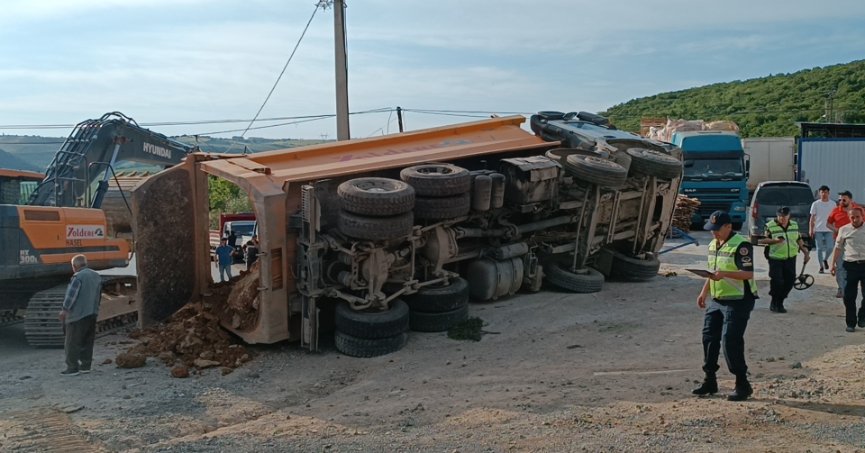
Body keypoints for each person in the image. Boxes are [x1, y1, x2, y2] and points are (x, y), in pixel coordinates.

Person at [693, 210, 758, 401]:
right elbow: (713, 272)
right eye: (711, 229)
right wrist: (704, 292)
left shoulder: (742, 245)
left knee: (730, 340)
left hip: (739, 299)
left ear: (728, 227)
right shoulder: (714, 244)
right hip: (718, 299)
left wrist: (725, 274)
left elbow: (748, 274)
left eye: (717, 229)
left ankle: (742, 384)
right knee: (709, 338)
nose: (714, 233)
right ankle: (710, 380)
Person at [58, 254, 103, 376]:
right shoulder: (96, 276)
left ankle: (72, 368)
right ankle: (85, 366)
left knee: (72, 342)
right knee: (88, 341)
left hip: (77, 315)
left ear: (74, 266)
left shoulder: (78, 277)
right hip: (92, 313)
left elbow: (72, 295)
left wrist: (64, 310)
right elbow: (98, 296)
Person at [760, 206, 808, 313]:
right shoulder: (770, 226)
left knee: (790, 281)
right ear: (777, 216)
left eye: (784, 216)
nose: (782, 218)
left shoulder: (794, 225)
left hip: (791, 257)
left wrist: (805, 252)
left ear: (789, 216)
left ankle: (780, 301)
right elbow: (763, 240)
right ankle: (774, 302)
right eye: (780, 216)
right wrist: (775, 241)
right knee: (777, 281)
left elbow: (798, 239)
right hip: (775, 258)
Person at [830, 206, 865, 332]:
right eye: (852, 217)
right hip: (850, 266)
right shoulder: (844, 230)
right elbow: (838, 247)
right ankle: (850, 322)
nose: (855, 219)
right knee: (849, 296)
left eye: (857, 217)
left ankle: (862, 315)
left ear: (862, 216)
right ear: (849, 217)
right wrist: (833, 264)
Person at [828, 191, 860, 298]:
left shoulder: (858, 210)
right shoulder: (835, 210)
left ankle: (851, 287)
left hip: (855, 243)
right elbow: (828, 223)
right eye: (840, 200)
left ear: (850, 199)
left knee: (853, 266)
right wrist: (836, 229)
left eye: (844, 199)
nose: (841, 201)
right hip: (840, 242)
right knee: (840, 266)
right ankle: (841, 289)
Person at [809, 185, 835, 273]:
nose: (824, 194)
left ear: (829, 193)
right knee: (819, 249)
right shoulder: (815, 204)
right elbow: (812, 218)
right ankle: (821, 267)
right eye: (822, 192)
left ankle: (825, 259)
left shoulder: (833, 204)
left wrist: (835, 229)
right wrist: (811, 229)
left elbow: (835, 217)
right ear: (819, 193)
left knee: (830, 247)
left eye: (826, 192)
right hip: (818, 229)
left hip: (829, 229)